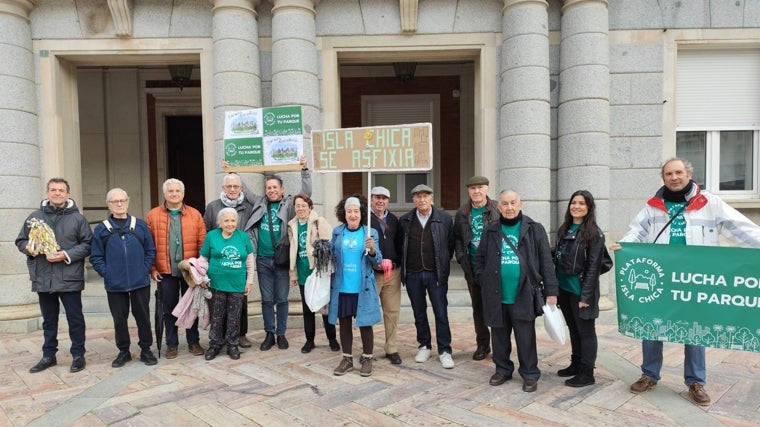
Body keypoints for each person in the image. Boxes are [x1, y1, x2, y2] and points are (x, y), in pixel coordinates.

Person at [613, 157, 760, 406]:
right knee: (651, 324)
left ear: (689, 174)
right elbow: (636, 231)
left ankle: (695, 381)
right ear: (663, 178)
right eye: (669, 173)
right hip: (661, 276)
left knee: (695, 327)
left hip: (695, 278)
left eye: (678, 172)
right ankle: (649, 374)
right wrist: (624, 247)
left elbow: (739, 228)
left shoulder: (709, 203)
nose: (674, 177)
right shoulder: (653, 206)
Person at [474, 190, 558, 392]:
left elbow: (546, 262)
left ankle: (530, 373)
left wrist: (551, 292)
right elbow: (480, 259)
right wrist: (483, 280)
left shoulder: (534, 229)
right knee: (499, 336)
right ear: (499, 207)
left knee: (525, 337)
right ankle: (502, 370)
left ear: (520, 204)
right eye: (505, 204)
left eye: (513, 203)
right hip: (496, 294)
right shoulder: (491, 230)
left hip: (523, 293)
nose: (509, 207)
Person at [16, 178, 92, 373]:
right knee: (49, 320)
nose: (57, 193)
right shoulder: (35, 217)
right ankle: (49, 355)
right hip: (44, 277)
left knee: (75, 319)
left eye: (61, 190)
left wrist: (65, 254)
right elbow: (20, 240)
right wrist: (30, 248)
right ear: (47, 193)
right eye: (53, 190)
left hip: (69, 277)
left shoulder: (78, 219)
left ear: (67, 194)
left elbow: (87, 245)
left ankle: (78, 355)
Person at [243, 156, 311, 351]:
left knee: (281, 299)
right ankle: (269, 334)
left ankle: (281, 334)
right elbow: (244, 190)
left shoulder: (290, 204)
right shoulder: (259, 202)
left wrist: (304, 169)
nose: (272, 190)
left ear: (282, 189)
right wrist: (232, 171)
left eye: (275, 187)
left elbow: (306, 192)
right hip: (263, 260)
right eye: (268, 188)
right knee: (266, 299)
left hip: (281, 260)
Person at [90, 188, 158, 367]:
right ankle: (123, 351)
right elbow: (95, 256)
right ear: (109, 205)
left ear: (128, 202)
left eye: (122, 200)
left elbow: (150, 250)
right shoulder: (101, 229)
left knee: (143, 316)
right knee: (119, 319)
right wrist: (107, 273)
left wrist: (144, 270)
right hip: (115, 284)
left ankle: (146, 349)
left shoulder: (140, 225)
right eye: (115, 201)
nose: (119, 204)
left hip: (139, 282)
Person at [146, 178, 207, 359]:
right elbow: (147, 245)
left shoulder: (195, 215)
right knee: (169, 309)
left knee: (191, 307)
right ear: (165, 194)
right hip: (166, 271)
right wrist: (152, 268)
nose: (174, 194)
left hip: (190, 272)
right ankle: (171, 344)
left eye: (177, 191)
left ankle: (193, 341)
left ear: (183, 194)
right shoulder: (153, 215)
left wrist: (200, 269)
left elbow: (202, 244)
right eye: (170, 191)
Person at [398, 184, 456, 369]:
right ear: (413, 200)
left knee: (441, 313)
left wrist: (443, 265)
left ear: (432, 198)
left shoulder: (444, 219)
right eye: (418, 197)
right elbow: (401, 245)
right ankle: (424, 345)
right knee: (419, 313)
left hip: (435, 274)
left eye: (425, 196)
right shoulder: (405, 220)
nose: (422, 200)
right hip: (414, 273)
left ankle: (445, 350)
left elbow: (450, 244)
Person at [554, 190, 605, 387]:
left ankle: (587, 372)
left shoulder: (594, 233)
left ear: (589, 208)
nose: (576, 206)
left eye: (581, 203)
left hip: (581, 291)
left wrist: (586, 295)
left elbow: (593, 267)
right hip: (564, 289)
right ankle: (576, 363)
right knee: (574, 329)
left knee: (586, 331)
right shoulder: (564, 228)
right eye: (573, 202)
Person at [328, 195, 383, 376]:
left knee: (365, 324)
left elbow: (378, 261)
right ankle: (347, 359)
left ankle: (367, 358)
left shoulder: (370, 233)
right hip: (343, 286)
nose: (352, 215)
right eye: (349, 211)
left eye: (356, 211)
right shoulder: (337, 232)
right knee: (344, 323)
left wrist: (373, 250)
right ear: (344, 214)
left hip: (363, 287)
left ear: (362, 213)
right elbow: (331, 256)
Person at [203, 173, 255, 348]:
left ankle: (239, 335)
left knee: (239, 306)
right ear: (223, 188)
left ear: (241, 188)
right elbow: (206, 231)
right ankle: (219, 340)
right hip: (219, 262)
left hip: (239, 264)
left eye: (236, 186)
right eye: (229, 186)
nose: (232, 189)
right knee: (218, 307)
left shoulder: (248, 207)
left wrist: (249, 278)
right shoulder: (212, 207)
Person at [454, 175, 500, 361]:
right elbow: (457, 238)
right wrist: (461, 257)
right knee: (478, 309)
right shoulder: (462, 213)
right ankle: (483, 344)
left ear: (487, 189)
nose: (477, 191)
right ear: (468, 191)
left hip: (495, 269)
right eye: (473, 188)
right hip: (473, 268)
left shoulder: (497, 209)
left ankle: (501, 346)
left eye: (480, 187)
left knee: (497, 308)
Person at [287, 193, 338, 353]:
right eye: (297, 205)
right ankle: (310, 340)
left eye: (303, 205)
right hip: (302, 272)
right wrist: (293, 275)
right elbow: (293, 251)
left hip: (319, 271)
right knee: (307, 307)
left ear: (310, 207)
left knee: (324, 307)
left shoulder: (319, 222)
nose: (300, 208)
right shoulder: (292, 225)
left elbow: (330, 244)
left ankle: (332, 339)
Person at [369, 186, 403, 364]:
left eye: (384, 198)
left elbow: (399, 245)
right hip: (372, 273)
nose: (380, 201)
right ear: (371, 199)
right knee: (367, 312)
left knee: (392, 312)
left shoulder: (394, 220)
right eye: (377, 198)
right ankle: (368, 349)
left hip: (392, 274)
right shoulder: (364, 219)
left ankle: (391, 348)